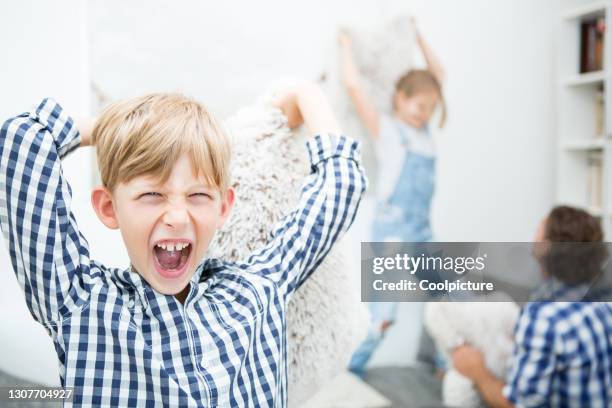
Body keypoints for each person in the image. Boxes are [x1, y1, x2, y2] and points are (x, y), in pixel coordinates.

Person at [0, 83, 367, 406]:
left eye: (197, 195)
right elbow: (21, 142)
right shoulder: (81, 303)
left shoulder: (257, 290)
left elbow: (341, 186)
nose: (177, 216)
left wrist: (307, 94)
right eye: (152, 194)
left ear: (224, 207)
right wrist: (115, 130)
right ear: (110, 208)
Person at [339, 18, 446, 376]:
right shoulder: (388, 132)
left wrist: (417, 35)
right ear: (400, 100)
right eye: (418, 108)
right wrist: (345, 45)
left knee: (445, 300)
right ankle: (350, 374)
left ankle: (443, 364)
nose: (423, 115)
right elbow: (354, 87)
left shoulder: (425, 132)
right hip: (393, 237)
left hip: (422, 232)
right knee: (384, 314)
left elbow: (439, 74)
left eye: (429, 109)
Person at [452, 206, 612, 407]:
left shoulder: (544, 318)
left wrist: (477, 371)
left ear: (545, 246)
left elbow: (518, 405)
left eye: (539, 231)